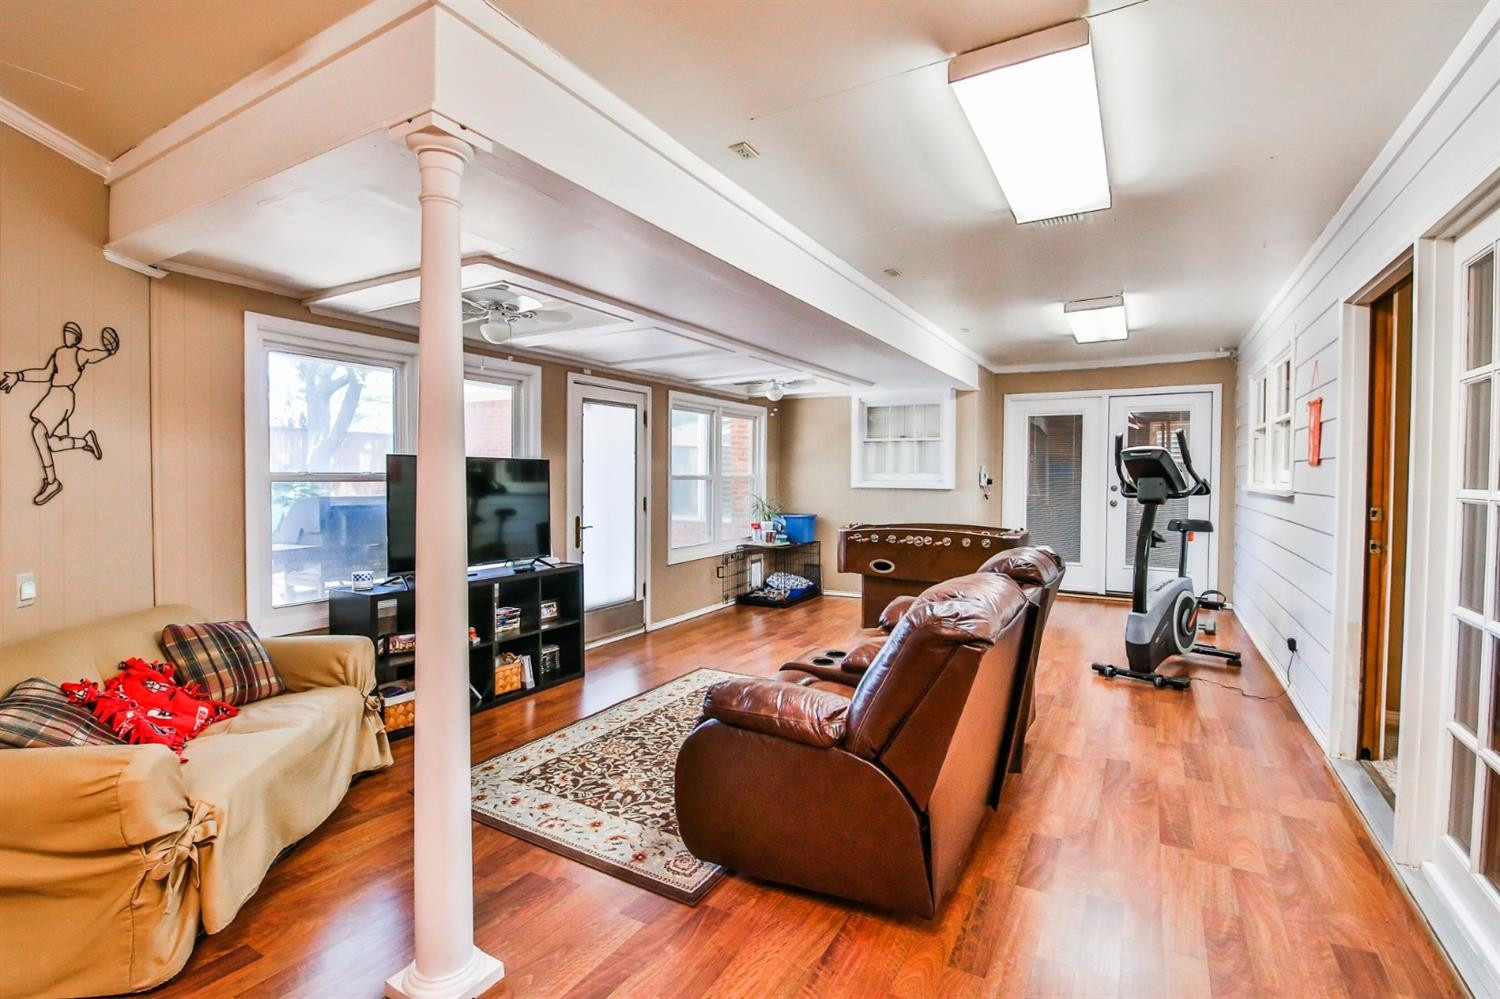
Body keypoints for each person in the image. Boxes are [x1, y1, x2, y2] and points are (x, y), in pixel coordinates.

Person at [1, 322, 118, 506]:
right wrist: (19, 376)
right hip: (56, 394)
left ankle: (52, 482)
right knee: (53, 444)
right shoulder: (59, 353)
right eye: (66, 332)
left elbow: (94, 355)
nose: (67, 336)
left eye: (71, 333)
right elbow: (44, 374)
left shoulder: (80, 354)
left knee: (38, 433)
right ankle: (86, 441)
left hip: (62, 396)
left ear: (77, 337)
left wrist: (109, 351)